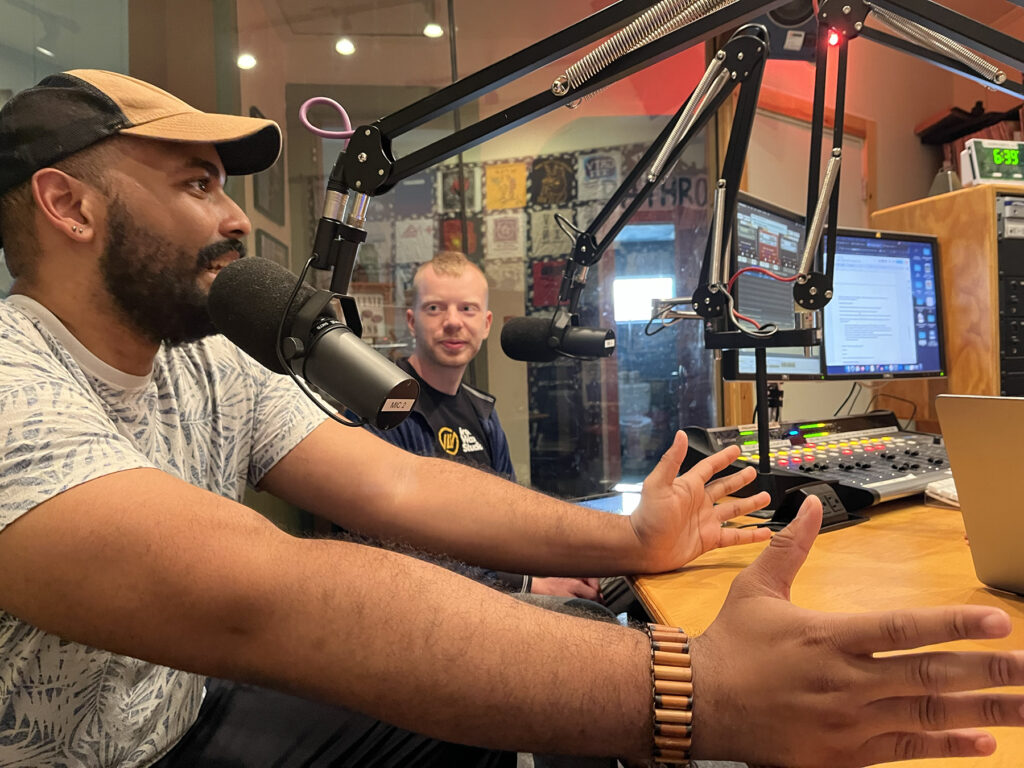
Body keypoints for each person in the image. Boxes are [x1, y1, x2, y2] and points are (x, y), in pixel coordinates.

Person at [1, 69, 1023, 768]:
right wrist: (698, 686)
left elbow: (400, 484)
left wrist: (627, 538)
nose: (232, 217)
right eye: (194, 183)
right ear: (69, 206)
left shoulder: (208, 364)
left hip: (183, 711)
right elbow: (256, 596)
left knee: (495, 706)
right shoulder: (12, 383)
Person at [366, 250, 601, 601]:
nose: (452, 322)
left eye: (467, 308)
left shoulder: (484, 413)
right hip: (415, 604)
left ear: (487, 323)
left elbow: (507, 523)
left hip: (487, 595)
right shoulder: (383, 405)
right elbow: (404, 547)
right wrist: (531, 584)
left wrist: (561, 562)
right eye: (435, 308)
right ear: (412, 321)